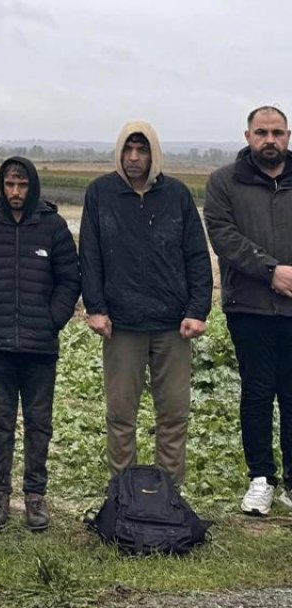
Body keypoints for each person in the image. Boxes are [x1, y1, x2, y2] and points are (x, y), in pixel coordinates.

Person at [80, 122, 212, 486]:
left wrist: (197, 310)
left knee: (173, 415)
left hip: (173, 325)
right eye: (128, 149)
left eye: (142, 150)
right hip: (122, 325)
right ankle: (122, 494)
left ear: (154, 154)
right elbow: (89, 257)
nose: (134, 157)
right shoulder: (100, 194)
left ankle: (168, 495)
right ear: (119, 152)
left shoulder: (177, 196)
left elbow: (197, 256)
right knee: (121, 415)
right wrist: (96, 307)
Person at [0, 157, 81, 531]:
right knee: (0, 423)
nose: (15, 193)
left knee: (38, 423)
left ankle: (35, 496)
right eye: (10, 185)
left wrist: (52, 320)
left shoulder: (53, 226)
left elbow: (69, 280)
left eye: (22, 185)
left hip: (39, 346)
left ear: (33, 187)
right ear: (2, 185)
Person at [204, 105, 292, 515]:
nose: (269, 140)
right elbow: (224, 236)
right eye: (262, 132)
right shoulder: (224, 182)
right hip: (249, 306)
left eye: (277, 132)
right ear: (247, 136)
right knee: (257, 391)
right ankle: (261, 479)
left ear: (288, 136)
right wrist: (271, 271)